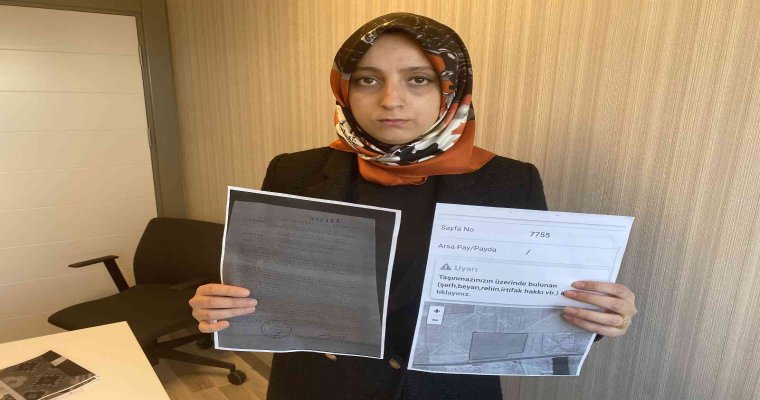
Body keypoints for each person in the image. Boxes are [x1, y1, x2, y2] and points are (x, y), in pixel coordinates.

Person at [189, 12, 638, 400]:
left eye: (418, 79)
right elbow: (260, 286)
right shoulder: (294, 172)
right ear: (344, 88)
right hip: (319, 385)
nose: (390, 100)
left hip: (444, 390)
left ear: (450, 87)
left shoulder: (509, 182)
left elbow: (532, 303)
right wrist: (218, 305)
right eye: (368, 79)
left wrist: (597, 317)